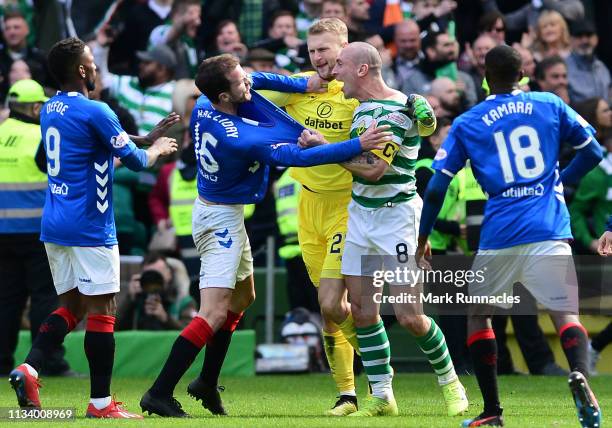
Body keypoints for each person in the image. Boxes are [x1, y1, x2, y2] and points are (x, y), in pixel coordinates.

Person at [139, 53, 390, 417]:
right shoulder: (241, 138)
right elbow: (301, 158)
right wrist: (358, 145)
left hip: (225, 213)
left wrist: (304, 83)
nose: (248, 83)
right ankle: (158, 393)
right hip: (218, 222)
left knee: (243, 298)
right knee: (211, 313)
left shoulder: (207, 107)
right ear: (224, 96)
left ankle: (206, 382)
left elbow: (260, 78)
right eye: (241, 82)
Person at [416, 44, 603, 427]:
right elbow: (593, 151)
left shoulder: (469, 122)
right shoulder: (548, 103)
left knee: (479, 316)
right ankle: (584, 380)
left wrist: (423, 234)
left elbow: (436, 188)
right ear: (522, 75)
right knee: (565, 314)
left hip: (500, 232)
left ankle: (492, 412)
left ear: (485, 78)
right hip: (549, 227)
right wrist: (558, 183)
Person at [8, 37, 179, 418]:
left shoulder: (50, 109)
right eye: (94, 64)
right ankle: (101, 403)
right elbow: (135, 162)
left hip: (54, 223)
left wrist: (140, 137)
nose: (98, 70)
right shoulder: (98, 110)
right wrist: (155, 148)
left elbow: (61, 148)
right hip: (89, 224)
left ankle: (29, 367)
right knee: (104, 308)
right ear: (83, 71)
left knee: (70, 304)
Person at [300, 41, 468, 417]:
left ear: (362, 70)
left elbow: (374, 169)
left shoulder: (392, 112)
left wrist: (327, 148)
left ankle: (451, 383)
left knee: (409, 315)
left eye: (340, 63)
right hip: (361, 216)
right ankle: (382, 396)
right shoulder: (366, 108)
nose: (334, 70)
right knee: (362, 310)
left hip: (396, 219)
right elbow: (425, 124)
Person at [259, 18, 363, 415]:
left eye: (325, 49)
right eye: (312, 50)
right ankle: (348, 395)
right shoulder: (300, 85)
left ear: (344, 46)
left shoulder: (356, 89)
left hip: (347, 204)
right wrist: (296, 84)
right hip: (308, 205)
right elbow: (249, 93)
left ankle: (375, 363)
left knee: (333, 302)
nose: (317, 58)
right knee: (330, 309)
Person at [0, 79, 72, 377]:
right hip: (37, 230)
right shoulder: (43, 135)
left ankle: (2, 361)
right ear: (35, 107)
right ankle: (46, 361)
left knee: (6, 299)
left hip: (2, 234)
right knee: (44, 297)